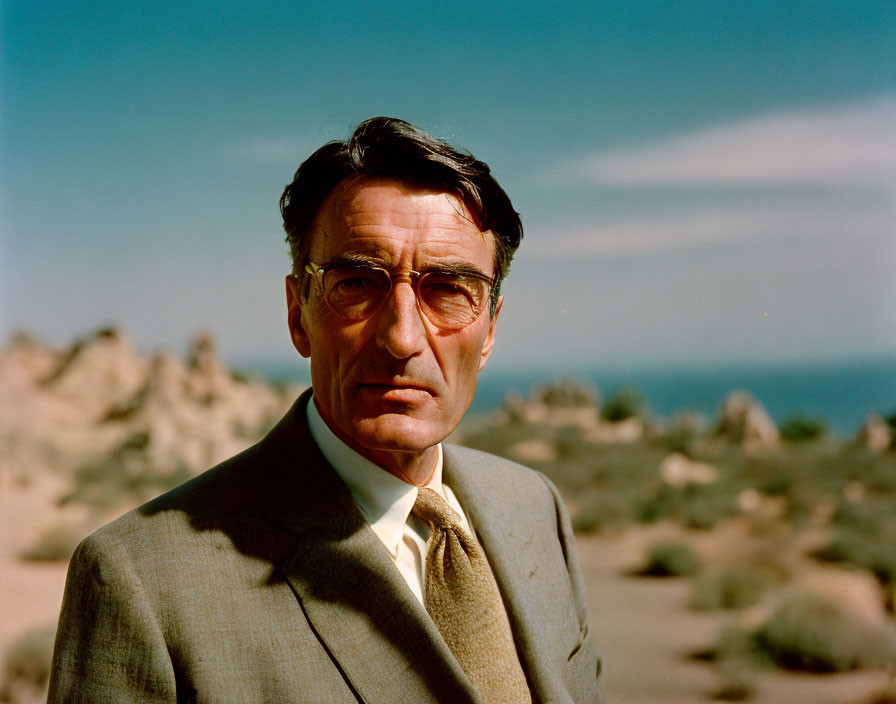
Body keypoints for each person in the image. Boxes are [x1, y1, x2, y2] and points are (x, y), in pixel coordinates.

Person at [48, 117, 603, 703]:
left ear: (489, 328)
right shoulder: (141, 584)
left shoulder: (534, 509)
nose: (403, 338)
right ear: (298, 314)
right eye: (358, 283)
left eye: (447, 290)